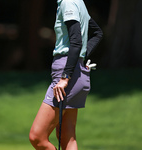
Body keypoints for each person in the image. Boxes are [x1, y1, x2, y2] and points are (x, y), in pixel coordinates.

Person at [29, 0, 103, 149]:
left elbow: (76, 41)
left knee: (37, 137)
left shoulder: (68, 2)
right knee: (67, 138)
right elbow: (97, 33)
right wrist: (80, 58)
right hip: (76, 72)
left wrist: (65, 77)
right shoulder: (78, 2)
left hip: (67, 76)